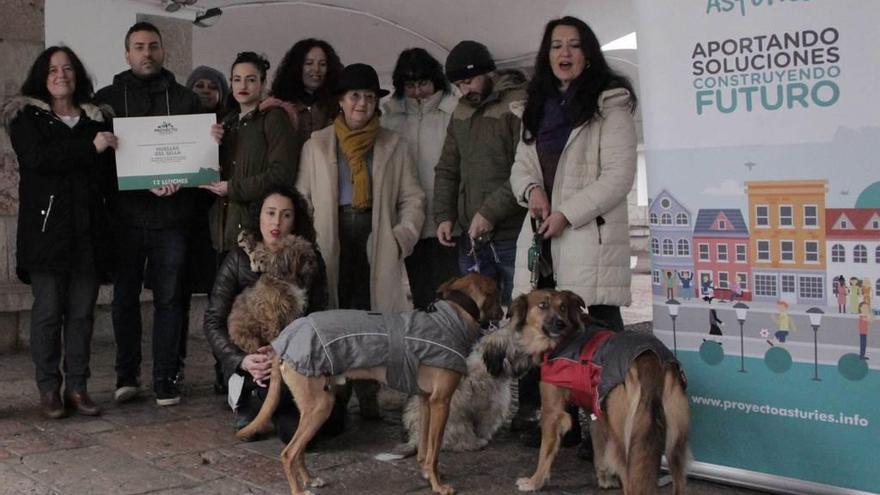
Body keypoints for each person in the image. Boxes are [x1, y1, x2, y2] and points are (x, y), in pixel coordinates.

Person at [508, 16, 638, 452]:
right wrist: (532, 191)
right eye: (556, 46)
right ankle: (556, 422)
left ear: (589, 54)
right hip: (541, 237)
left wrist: (566, 212)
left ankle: (607, 428)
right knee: (541, 333)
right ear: (547, 56)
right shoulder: (536, 105)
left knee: (597, 337)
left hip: (587, 240)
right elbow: (521, 166)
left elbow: (618, 176)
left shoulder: (610, 105)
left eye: (574, 45)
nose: (565, 54)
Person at [95, 21, 222, 407]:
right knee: (124, 300)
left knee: (170, 299)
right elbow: (98, 165)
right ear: (127, 53)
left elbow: (200, 161)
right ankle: (127, 376)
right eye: (138, 47)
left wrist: (209, 142)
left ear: (163, 51)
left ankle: (167, 378)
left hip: (173, 218)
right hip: (125, 219)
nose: (146, 53)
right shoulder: (107, 100)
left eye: (153, 46)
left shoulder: (187, 101)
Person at [296, 63, 426, 418]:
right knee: (336, 316)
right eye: (355, 96)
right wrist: (308, 242)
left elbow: (412, 198)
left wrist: (402, 237)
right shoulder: (318, 144)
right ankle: (337, 393)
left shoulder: (393, 144)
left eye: (369, 97)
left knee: (372, 320)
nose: (362, 104)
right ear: (341, 100)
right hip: (332, 238)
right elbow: (302, 197)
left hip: (377, 236)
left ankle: (370, 394)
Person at [3, 46, 117, 418]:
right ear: (42, 75)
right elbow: (39, 159)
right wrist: (91, 148)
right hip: (46, 231)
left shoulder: (97, 119)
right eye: (53, 69)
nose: (61, 74)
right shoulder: (26, 118)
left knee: (83, 314)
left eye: (68, 68)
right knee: (48, 312)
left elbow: (110, 174)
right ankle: (49, 389)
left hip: (88, 231)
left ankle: (79, 388)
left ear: (78, 75)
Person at [203, 186, 344, 438]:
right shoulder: (237, 260)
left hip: (296, 357)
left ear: (295, 220)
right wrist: (242, 361)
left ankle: (282, 408)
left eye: (286, 215)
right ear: (259, 217)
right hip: (250, 359)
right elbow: (213, 321)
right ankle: (254, 400)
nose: (276, 221)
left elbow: (319, 315)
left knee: (330, 425)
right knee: (296, 427)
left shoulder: (309, 258)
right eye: (270, 213)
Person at [433, 40, 527, 307]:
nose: (465, 90)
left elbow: (527, 170)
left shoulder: (517, 106)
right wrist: (444, 215)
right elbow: (447, 167)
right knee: (476, 313)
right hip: (471, 238)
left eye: (470, 80)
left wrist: (490, 212)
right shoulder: (460, 111)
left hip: (512, 235)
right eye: (459, 85)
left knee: (517, 311)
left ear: (489, 72)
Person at [382, 48, 459, 309]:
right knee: (421, 293)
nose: (417, 91)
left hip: (447, 219)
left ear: (436, 81)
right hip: (409, 220)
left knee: (452, 293)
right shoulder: (390, 118)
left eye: (423, 83)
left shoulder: (453, 112)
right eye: (411, 85)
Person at [201, 51, 300, 253]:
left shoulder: (274, 118)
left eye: (251, 80)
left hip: (259, 230)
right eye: (237, 80)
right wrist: (212, 144)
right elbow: (215, 172)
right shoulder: (228, 122)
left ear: (263, 84)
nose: (243, 86)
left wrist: (233, 188)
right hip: (224, 230)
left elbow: (282, 174)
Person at [261, 38, 343, 144]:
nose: (316, 69)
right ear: (297, 67)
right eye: (309, 63)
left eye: (322, 64)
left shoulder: (337, 106)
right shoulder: (279, 107)